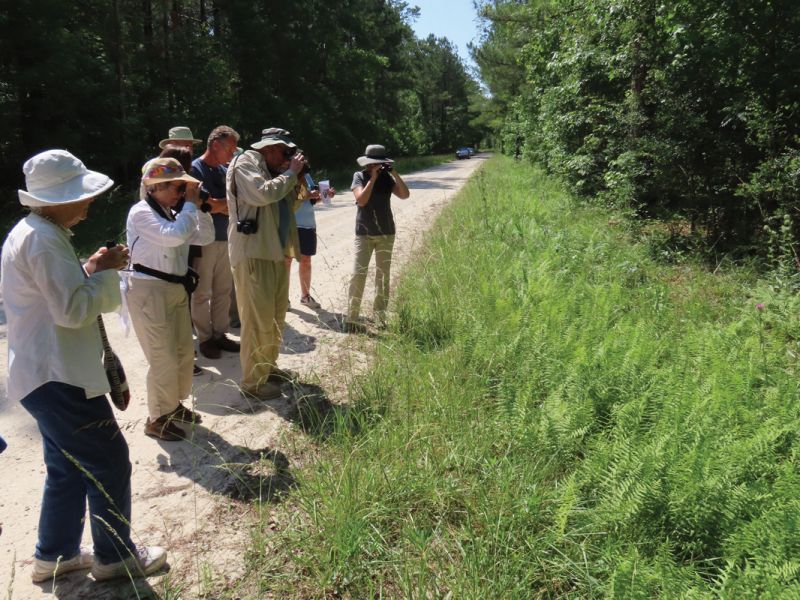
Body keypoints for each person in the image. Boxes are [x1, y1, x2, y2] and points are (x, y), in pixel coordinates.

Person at [1, 149, 167, 582]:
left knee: (68, 467)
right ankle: (115, 557)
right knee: (109, 461)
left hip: (43, 374)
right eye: (82, 195)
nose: (88, 203)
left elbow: (55, 290)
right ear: (55, 200)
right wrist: (108, 272)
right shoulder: (42, 239)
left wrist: (90, 266)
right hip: (61, 377)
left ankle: (54, 556)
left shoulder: (34, 232)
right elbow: (72, 310)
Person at [126, 158, 214, 441]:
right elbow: (173, 238)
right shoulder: (141, 213)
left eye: (183, 188)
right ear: (156, 187)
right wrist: (189, 205)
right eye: (177, 187)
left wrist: (198, 208)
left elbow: (206, 237)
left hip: (174, 290)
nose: (181, 193)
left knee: (182, 353)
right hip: (148, 292)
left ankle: (173, 405)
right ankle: (156, 419)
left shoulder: (172, 212)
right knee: (161, 357)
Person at [226, 128, 306, 400]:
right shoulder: (246, 163)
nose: (288, 157)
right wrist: (290, 173)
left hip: (274, 251)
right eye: (285, 152)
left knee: (275, 316)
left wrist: (295, 178)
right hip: (253, 253)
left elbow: (285, 208)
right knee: (256, 319)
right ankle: (252, 383)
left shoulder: (272, 169)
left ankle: (268, 369)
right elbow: (261, 195)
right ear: (269, 148)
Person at [345, 144, 410, 332]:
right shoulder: (359, 176)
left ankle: (380, 317)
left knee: (382, 277)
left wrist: (395, 173)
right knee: (359, 274)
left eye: (381, 164)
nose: (378, 167)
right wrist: (372, 178)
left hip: (386, 233)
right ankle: (352, 317)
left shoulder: (387, 178)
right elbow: (362, 200)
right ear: (368, 164)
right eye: (375, 164)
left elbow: (405, 195)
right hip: (364, 233)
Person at [189, 125, 241, 359]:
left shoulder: (224, 169)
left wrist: (218, 205)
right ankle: (205, 338)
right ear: (216, 144)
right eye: (230, 148)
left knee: (224, 290)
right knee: (202, 292)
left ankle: (220, 334)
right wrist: (222, 205)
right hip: (205, 241)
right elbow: (205, 204)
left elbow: (223, 204)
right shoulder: (195, 169)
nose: (233, 154)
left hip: (226, 237)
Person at [285, 166, 336, 309]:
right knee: (286, 261)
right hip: (292, 224)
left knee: (306, 260)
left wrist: (325, 195)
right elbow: (291, 196)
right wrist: (309, 194)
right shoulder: (288, 174)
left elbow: (310, 200)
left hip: (308, 224)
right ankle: (284, 299)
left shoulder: (307, 175)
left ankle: (305, 296)